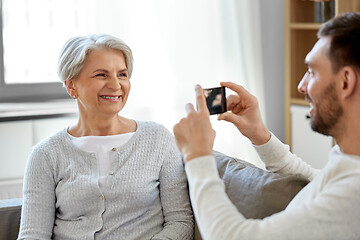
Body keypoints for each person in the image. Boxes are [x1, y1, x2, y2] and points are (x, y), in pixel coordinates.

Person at [173, 12, 360, 240]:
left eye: (312, 71)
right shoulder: (348, 160)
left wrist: (197, 157)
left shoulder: (353, 195)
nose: (302, 86)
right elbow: (315, 180)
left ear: (345, 82)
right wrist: (260, 135)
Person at [18, 34, 194, 239]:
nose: (115, 85)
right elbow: (33, 234)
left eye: (122, 74)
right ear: (71, 86)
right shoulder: (45, 154)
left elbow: (180, 222)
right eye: (101, 75)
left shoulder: (158, 139)